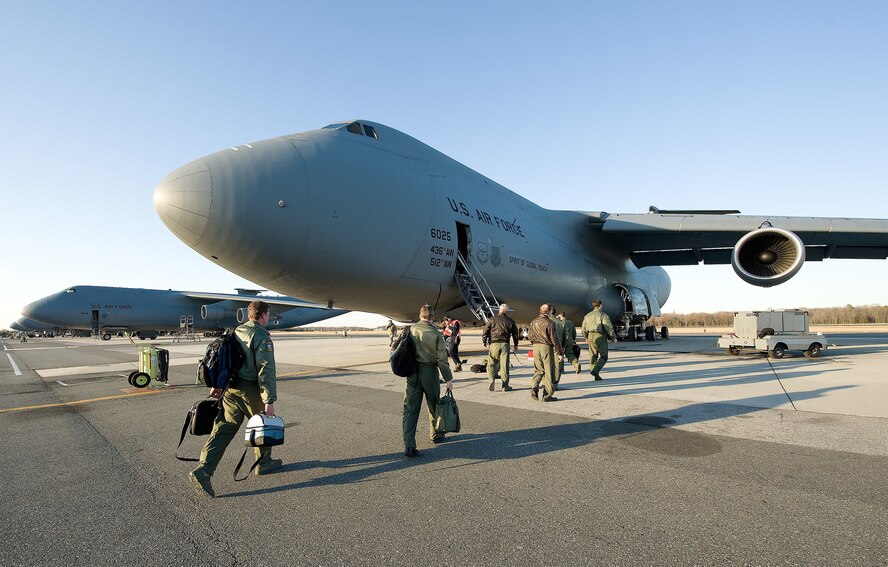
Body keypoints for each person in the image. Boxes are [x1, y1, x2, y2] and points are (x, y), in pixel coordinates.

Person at [189, 300, 281, 498]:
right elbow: (266, 369)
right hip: (250, 390)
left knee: (223, 429)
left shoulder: (235, 331)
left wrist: (218, 385)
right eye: (268, 314)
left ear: (249, 315)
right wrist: (269, 399)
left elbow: (221, 358)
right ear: (263, 315)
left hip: (230, 389)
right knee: (263, 426)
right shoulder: (260, 335)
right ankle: (264, 463)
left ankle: (204, 469)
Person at [403, 304, 454, 457]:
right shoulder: (436, 334)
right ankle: (435, 434)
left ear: (420, 316)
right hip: (429, 372)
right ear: (432, 317)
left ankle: (409, 445)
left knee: (410, 409)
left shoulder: (410, 330)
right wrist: (448, 378)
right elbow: (442, 359)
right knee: (434, 405)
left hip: (412, 373)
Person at [481, 303, 520, 392]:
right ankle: (505, 385)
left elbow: (485, 330)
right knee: (504, 365)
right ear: (507, 311)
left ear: (499, 310)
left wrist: (484, 340)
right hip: (505, 344)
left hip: (494, 343)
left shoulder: (492, 319)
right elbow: (515, 334)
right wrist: (516, 344)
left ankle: (491, 379)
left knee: (491, 362)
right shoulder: (510, 321)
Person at [528, 303, 562, 402]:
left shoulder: (533, 322)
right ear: (550, 311)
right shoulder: (550, 323)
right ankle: (547, 395)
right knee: (549, 372)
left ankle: (534, 387)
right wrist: (559, 352)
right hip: (546, 347)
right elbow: (554, 339)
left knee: (539, 369)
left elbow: (530, 335)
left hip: (535, 346)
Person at [581, 299, 616, 381]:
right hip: (600, 336)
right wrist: (613, 337)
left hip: (590, 336)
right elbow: (608, 327)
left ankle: (595, 374)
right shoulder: (603, 315)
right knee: (604, 356)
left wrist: (586, 337)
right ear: (600, 305)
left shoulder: (587, 316)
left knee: (593, 356)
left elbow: (583, 329)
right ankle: (596, 371)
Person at [550, 305, 565, 390]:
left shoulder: (542, 320)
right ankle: (554, 385)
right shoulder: (559, 322)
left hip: (546, 347)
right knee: (556, 366)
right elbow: (563, 335)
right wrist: (563, 346)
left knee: (546, 366)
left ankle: (546, 384)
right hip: (557, 347)